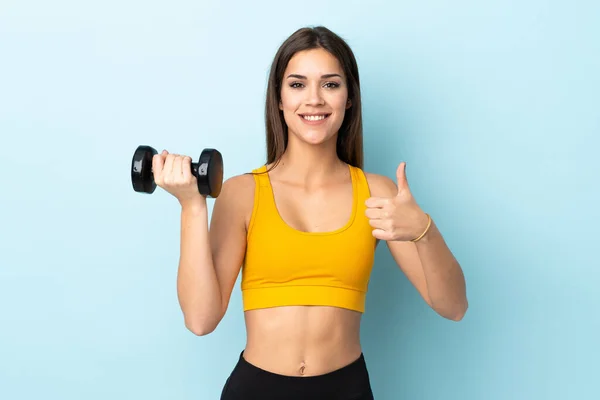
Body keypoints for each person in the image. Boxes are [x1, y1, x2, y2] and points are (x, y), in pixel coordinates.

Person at [151, 26, 468, 400]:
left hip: (345, 389)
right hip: (256, 389)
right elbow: (200, 320)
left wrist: (424, 231)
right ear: (279, 99)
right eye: (298, 84)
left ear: (349, 98)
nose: (314, 99)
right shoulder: (242, 193)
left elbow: (454, 307)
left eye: (330, 84)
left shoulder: (378, 193)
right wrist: (191, 205)